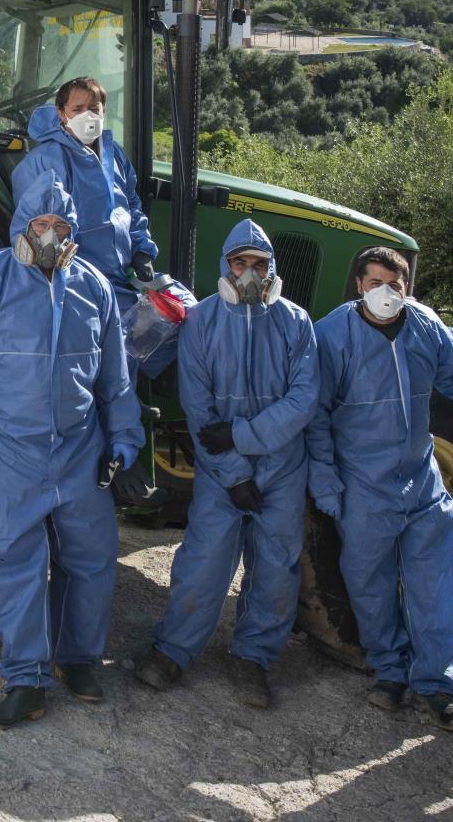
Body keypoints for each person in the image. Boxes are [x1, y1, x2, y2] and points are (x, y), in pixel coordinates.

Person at [0, 185, 140, 729]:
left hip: (79, 447)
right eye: (40, 225)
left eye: (61, 226)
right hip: (8, 449)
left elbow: (115, 374)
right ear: (22, 227)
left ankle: (76, 660)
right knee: (11, 563)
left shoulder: (92, 286)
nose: (50, 236)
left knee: (90, 558)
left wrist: (124, 433)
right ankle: (25, 678)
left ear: (73, 232)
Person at [306, 247, 453, 731]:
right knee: (369, 585)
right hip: (364, 486)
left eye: (396, 283)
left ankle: (436, 684)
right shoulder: (332, 336)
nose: (385, 293)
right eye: (375, 282)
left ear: (408, 287)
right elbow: (316, 415)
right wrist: (325, 481)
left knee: (436, 583)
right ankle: (390, 672)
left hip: (424, 481)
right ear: (358, 285)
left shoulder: (426, 327)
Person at [134, 219, 317, 708]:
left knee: (277, 568)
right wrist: (234, 474)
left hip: (281, 468)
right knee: (204, 562)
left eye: (259, 265)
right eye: (241, 264)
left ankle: (252, 658)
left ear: (272, 269)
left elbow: (302, 402)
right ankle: (173, 649)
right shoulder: (201, 323)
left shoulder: (297, 323)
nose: (250, 274)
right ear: (226, 267)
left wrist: (240, 437)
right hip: (221, 472)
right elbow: (199, 411)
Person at [9, 77, 160, 319]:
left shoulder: (114, 154)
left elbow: (131, 204)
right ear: (61, 113)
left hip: (121, 277)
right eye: (77, 109)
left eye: (93, 109)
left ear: (103, 111)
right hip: (77, 282)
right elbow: (34, 226)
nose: (86, 116)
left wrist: (142, 250)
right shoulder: (45, 161)